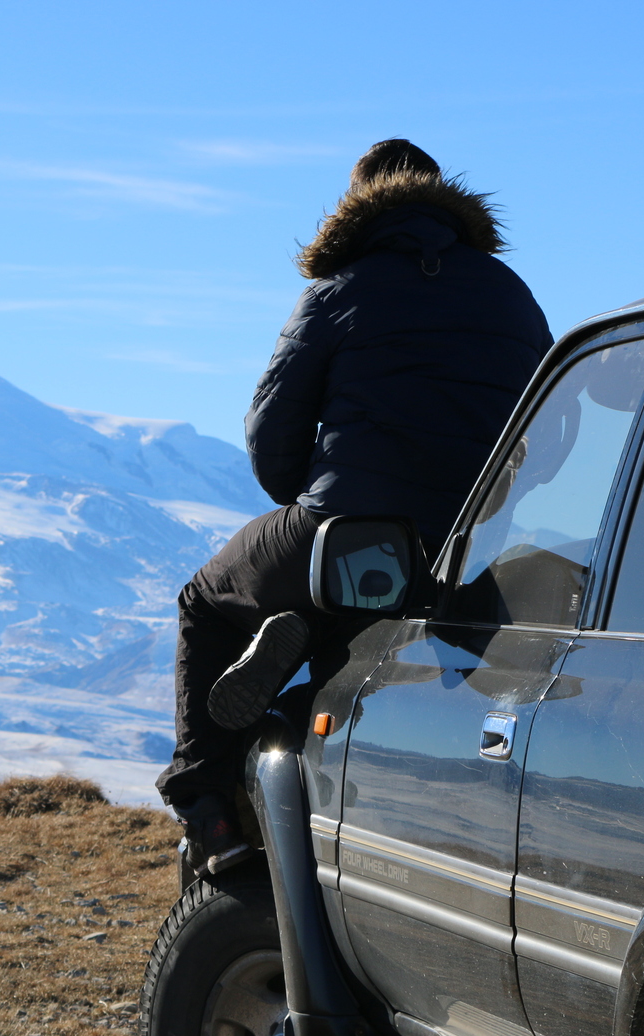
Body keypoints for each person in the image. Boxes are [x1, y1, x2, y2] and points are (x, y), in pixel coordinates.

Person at [155, 139, 554, 874]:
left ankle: (207, 809)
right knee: (377, 621)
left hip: (347, 531)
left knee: (206, 601)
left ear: (356, 204)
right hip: (465, 549)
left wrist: (318, 496)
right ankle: (303, 680)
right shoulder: (510, 292)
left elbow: (269, 435)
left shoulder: (339, 288)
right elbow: (556, 431)